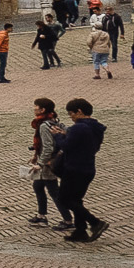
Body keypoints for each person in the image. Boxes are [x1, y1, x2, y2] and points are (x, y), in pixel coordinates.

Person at [53, 99, 107, 243]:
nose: (71, 117)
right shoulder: (96, 127)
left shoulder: (79, 127)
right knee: (76, 200)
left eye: (71, 113)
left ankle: (95, 222)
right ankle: (80, 230)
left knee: (64, 199)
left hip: (74, 168)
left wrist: (58, 136)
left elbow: (67, 146)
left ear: (79, 112)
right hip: (88, 168)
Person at [27, 98, 66, 228]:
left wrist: (41, 163)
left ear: (42, 109)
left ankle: (68, 220)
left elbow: (48, 146)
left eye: (35, 106)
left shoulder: (44, 125)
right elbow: (40, 145)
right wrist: (35, 156)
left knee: (54, 191)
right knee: (38, 186)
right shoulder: (53, 121)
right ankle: (41, 216)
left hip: (48, 163)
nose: (34, 108)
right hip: (45, 159)